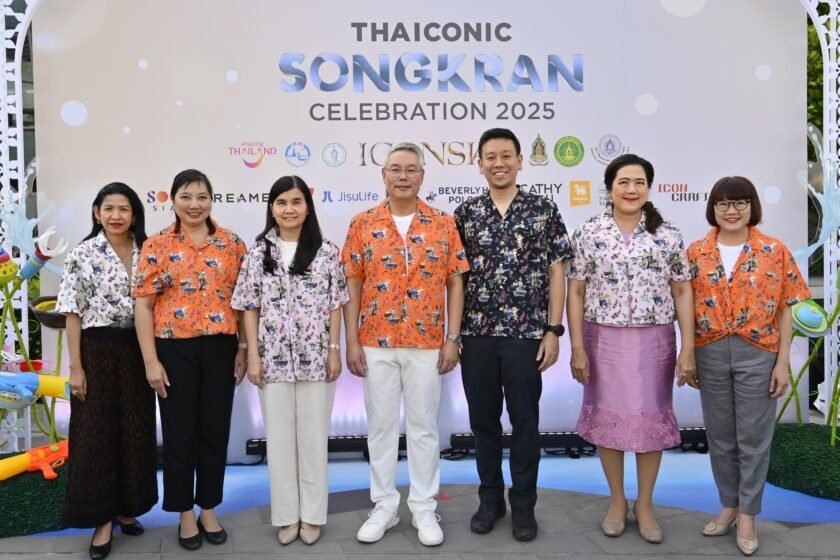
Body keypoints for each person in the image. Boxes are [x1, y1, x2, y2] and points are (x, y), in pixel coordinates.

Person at [342, 142, 468, 547]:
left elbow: (455, 281)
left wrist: (452, 338)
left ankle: (424, 507)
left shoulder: (443, 223)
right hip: (375, 341)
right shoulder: (363, 223)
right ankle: (384, 505)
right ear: (383, 175)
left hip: (427, 341)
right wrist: (351, 341)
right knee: (380, 428)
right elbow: (353, 283)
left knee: (424, 428)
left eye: (411, 169)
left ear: (422, 176)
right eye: (395, 169)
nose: (402, 176)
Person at [566, 154, 695, 544]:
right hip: (602, 340)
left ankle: (646, 504)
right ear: (610, 188)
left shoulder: (667, 235)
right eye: (623, 182)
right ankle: (617, 501)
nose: (631, 189)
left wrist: (688, 347)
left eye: (639, 182)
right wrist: (577, 346)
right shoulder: (589, 232)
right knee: (609, 422)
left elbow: (682, 290)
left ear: (649, 188)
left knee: (649, 421)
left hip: (654, 341)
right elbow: (576, 291)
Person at [454, 128, 572, 542]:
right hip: (477, 334)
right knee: (483, 423)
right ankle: (490, 500)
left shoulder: (543, 209)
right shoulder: (466, 213)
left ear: (521, 161)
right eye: (491, 156)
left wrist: (553, 329)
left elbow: (557, 271)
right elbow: (456, 279)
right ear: (480, 164)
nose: (499, 163)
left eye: (507, 155)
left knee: (525, 422)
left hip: (526, 334)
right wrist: (453, 334)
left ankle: (524, 506)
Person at [686, 176, 809, 556]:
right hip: (709, 352)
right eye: (723, 203)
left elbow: (787, 309)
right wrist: (688, 353)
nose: (732, 210)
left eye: (740, 202)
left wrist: (782, 362)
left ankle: (749, 514)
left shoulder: (774, 250)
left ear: (752, 206)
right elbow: (683, 307)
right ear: (713, 208)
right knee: (721, 436)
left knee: (754, 439)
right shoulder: (696, 252)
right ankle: (728, 505)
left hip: (758, 353)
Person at [231, 176, 348, 546]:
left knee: (313, 440)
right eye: (281, 202)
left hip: (317, 358)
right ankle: (286, 516)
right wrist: (252, 355)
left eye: (296, 202)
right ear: (272, 208)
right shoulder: (257, 252)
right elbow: (248, 306)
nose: (289, 209)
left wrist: (334, 349)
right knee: (280, 442)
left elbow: (335, 303)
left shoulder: (326, 251)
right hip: (272, 360)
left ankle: (312, 515)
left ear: (307, 208)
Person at [134, 169, 247, 551]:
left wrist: (243, 348)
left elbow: (244, 302)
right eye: (186, 196)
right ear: (173, 200)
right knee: (179, 434)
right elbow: (144, 306)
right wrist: (151, 361)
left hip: (221, 348)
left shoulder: (231, 243)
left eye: (202, 197)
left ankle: (208, 508)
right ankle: (184, 512)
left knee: (215, 431)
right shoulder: (157, 244)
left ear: (211, 200)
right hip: (173, 349)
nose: (194, 204)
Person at [56, 182, 157, 560]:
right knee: (95, 433)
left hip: (138, 349)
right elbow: (72, 312)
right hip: (96, 350)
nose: (116, 216)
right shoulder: (82, 253)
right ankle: (101, 519)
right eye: (109, 208)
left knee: (135, 429)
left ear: (134, 214)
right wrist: (76, 368)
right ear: (97, 213)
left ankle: (127, 508)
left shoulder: (149, 250)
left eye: (124, 209)